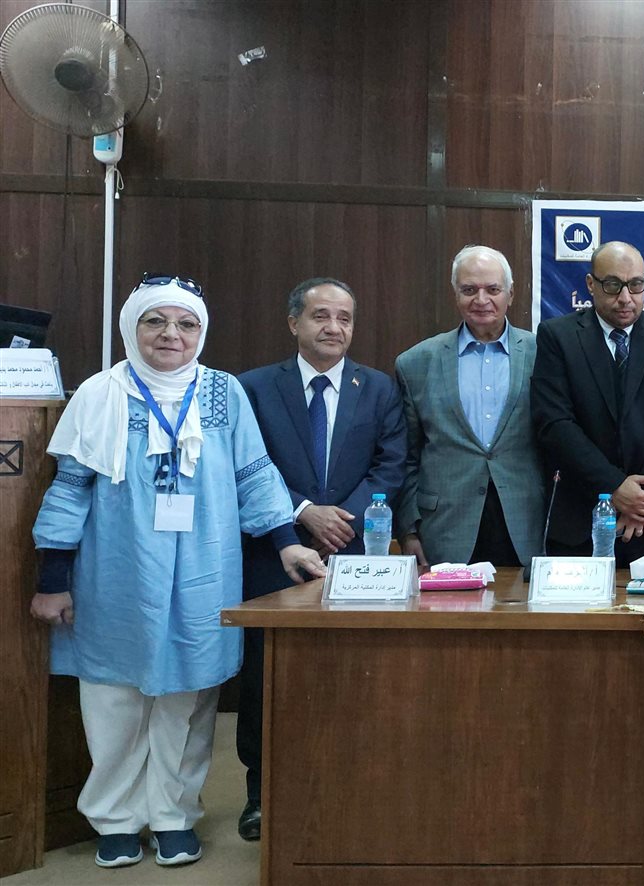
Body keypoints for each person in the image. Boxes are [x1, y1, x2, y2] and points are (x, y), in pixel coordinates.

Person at [28, 278, 324, 870]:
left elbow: (254, 473)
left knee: (188, 698)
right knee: (114, 697)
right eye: (156, 322)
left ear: (201, 332)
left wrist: (287, 543)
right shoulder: (99, 393)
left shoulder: (224, 392)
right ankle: (114, 818)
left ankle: (173, 815)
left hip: (204, 566)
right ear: (131, 328)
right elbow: (70, 489)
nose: (172, 335)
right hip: (117, 568)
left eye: (186, 324)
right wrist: (52, 577)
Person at [234, 277, 405, 840]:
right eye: (320, 316)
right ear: (294, 323)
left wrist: (341, 519)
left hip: (355, 553)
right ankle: (260, 794)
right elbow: (245, 465)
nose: (334, 328)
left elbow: (391, 465)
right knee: (268, 675)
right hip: (274, 549)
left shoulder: (378, 388)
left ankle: (349, 786)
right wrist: (304, 512)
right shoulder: (253, 388)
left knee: (350, 672)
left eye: (344, 318)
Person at [532, 242, 644, 562]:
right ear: (590, 284)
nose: (625, 298)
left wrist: (641, 501)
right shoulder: (558, 336)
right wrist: (615, 488)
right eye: (612, 285)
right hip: (581, 520)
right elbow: (554, 424)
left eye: (635, 285)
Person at [394, 245, 547, 570]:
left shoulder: (544, 354)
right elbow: (406, 457)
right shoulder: (415, 363)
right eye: (469, 290)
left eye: (492, 289)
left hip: (526, 524)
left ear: (511, 294)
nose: (481, 299)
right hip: (444, 529)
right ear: (455, 294)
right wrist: (407, 530)